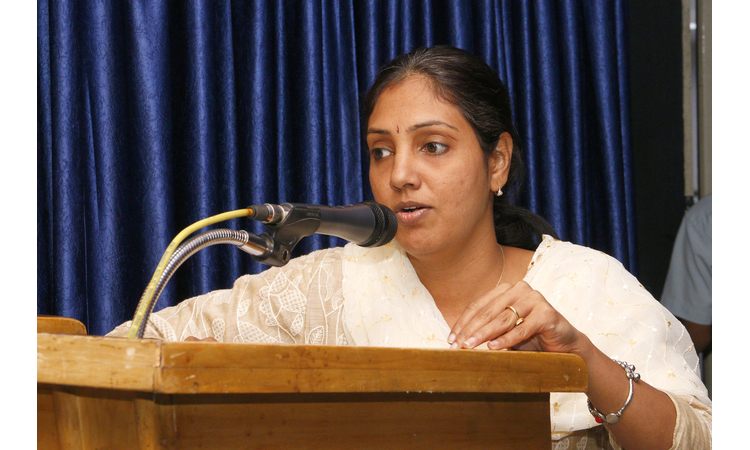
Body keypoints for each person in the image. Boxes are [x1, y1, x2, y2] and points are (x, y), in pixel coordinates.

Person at [109, 46, 711, 449]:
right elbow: (132, 348)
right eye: (381, 151)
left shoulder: (585, 286)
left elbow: (700, 438)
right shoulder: (322, 289)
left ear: (497, 162)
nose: (399, 175)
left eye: (433, 146)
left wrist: (582, 359)